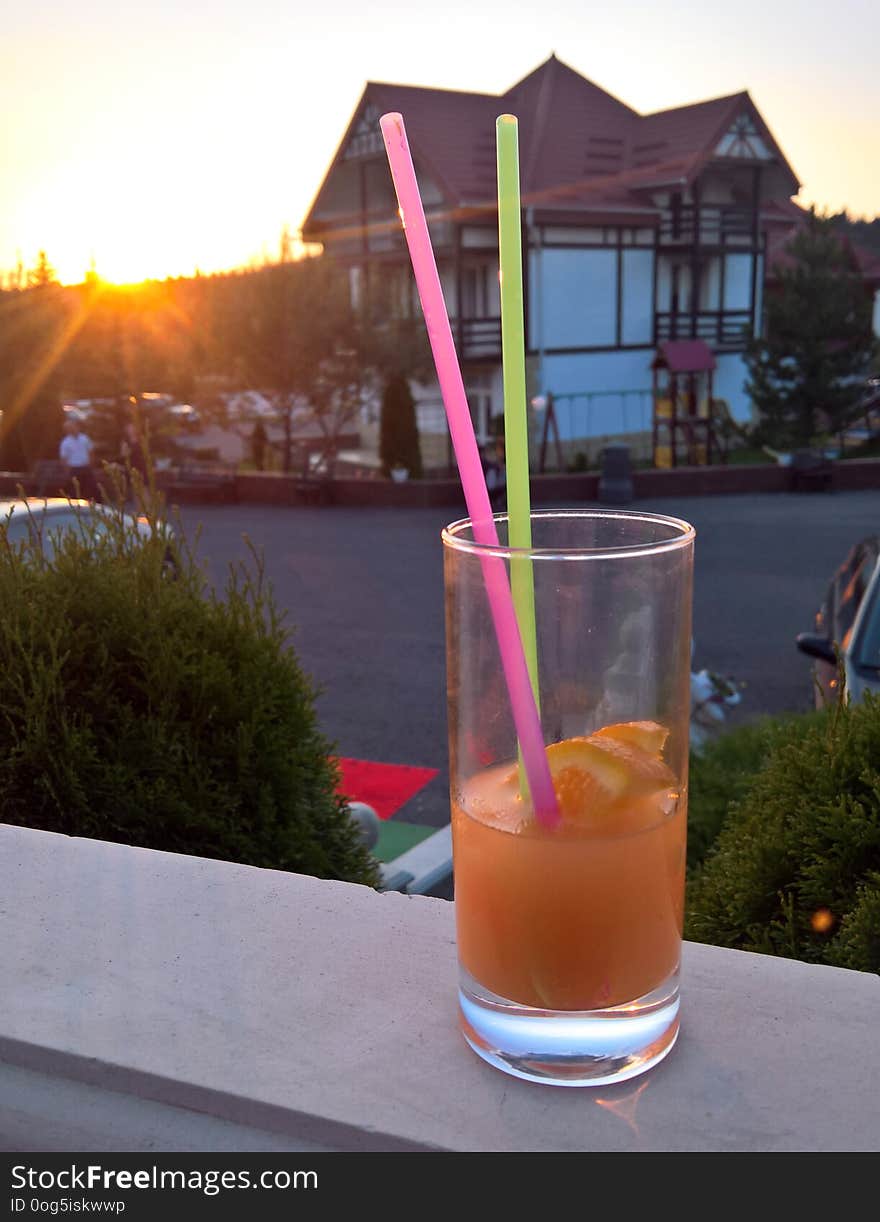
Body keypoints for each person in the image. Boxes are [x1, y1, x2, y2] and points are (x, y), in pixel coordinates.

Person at [59, 418, 96, 500]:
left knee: (90, 490)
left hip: (86, 468)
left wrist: (91, 465)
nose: (72, 429)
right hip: (74, 469)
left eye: (73, 427)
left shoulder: (85, 438)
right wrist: (67, 472)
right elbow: (64, 459)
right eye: (69, 428)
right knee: (75, 491)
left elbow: (91, 452)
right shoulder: (65, 442)